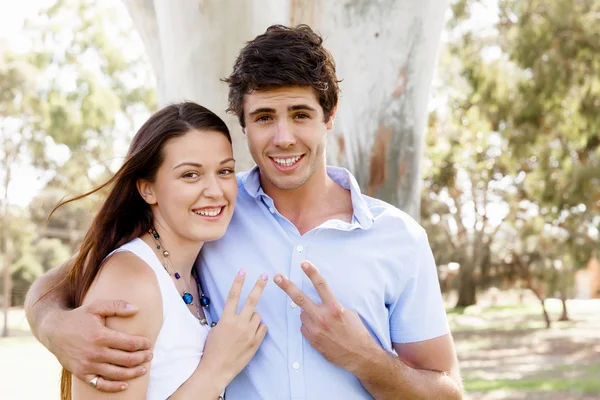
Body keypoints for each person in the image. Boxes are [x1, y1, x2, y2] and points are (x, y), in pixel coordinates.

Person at [26, 25, 463, 399]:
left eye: (300, 114)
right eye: (265, 117)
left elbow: (447, 390)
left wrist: (365, 358)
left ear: (329, 116)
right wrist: (52, 326)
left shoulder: (399, 238)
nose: (284, 137)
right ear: (243, 124)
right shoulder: (209, 211)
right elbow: (85, 270)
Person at [36, 102, 269, 399]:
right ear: (148, 189)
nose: (215, 190)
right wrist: (216, 371)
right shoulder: (131, 283)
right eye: (190, 175)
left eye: (224, 171)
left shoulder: (192, 263)